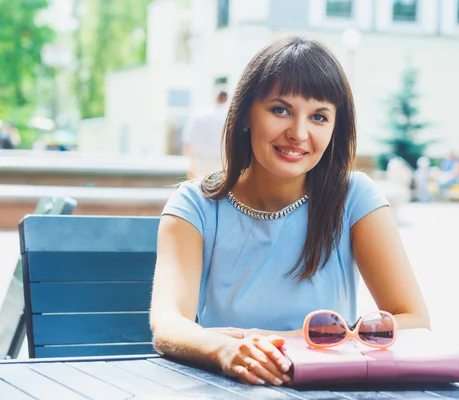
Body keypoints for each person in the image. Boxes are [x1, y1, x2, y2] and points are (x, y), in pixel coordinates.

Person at [150, 36, 430, 387]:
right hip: (229, 385)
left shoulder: (354, 198)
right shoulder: (194, 205)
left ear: (334, 128)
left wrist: (276, 339)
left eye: (318, 117)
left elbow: (414, 319)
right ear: (246, 114)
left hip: (327, 388)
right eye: (280, 110)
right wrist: (224, 351)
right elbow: (168, 323)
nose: (299, 133)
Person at [182, 90, 229, 179]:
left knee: (199, 190)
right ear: (226, 100)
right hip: (222, 163)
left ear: (215, 98)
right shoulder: (229, 116)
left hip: (201, 162)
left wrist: (192, 165)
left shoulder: (198, 115)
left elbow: (188, 142)